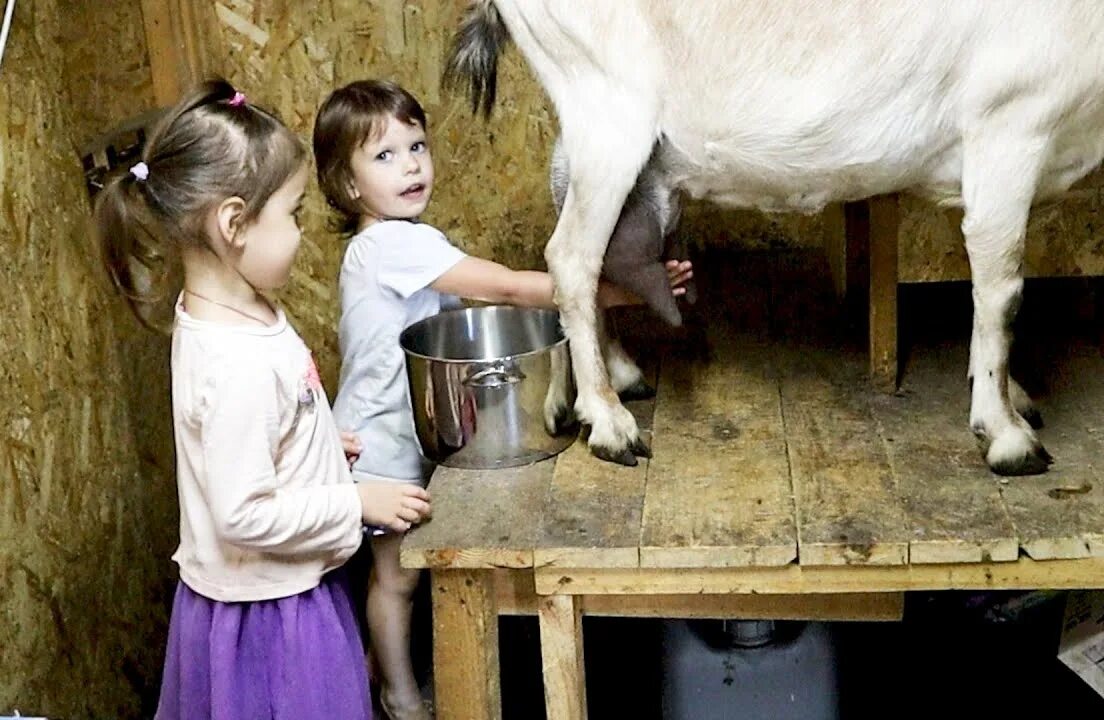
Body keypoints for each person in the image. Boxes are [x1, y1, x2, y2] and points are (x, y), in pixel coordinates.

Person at [313, 79, 692, 720]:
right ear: (348, 188)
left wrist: (624, 294)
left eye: (416, 145)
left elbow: (480, 309)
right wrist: (626, 290)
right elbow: (514, 291)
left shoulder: (398, 245)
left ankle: (377, 671)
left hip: (397, 429)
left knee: (393, 576)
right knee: (397, 578)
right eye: (384, 156)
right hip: (380, 444)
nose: (410, 164)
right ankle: (400, 700)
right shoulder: (393, 247)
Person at [93, 78, 430, 720]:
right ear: (234, 224)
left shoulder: (239, 310)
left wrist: (318, 441)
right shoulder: (234, 362)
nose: (302, 233)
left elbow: (263, 430)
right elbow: (242, 513)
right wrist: (356, 500)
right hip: (271, 618)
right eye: (294, 213)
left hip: (289, 587)